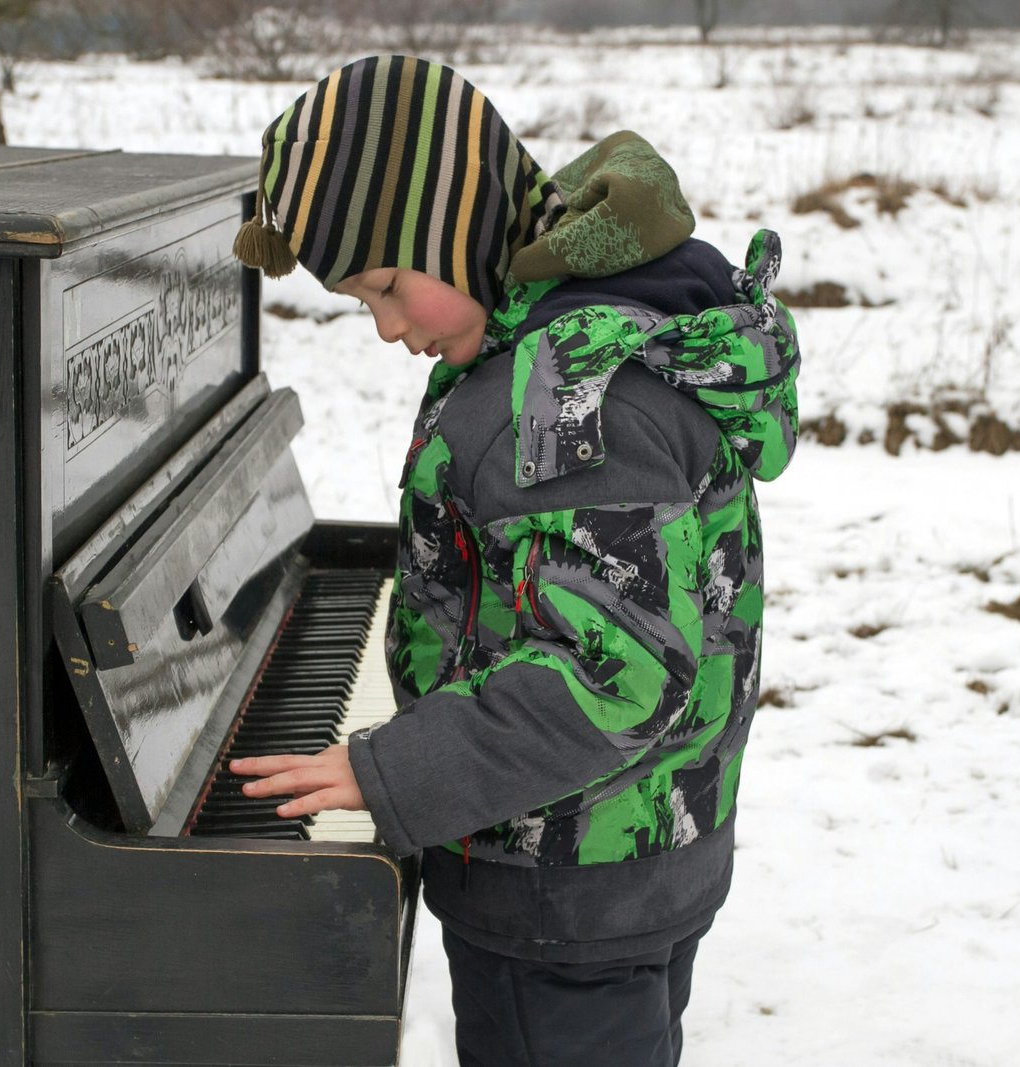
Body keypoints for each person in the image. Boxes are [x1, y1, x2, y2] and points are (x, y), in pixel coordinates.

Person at [229, 54, 800, 1067]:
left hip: (559, 900)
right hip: (626, 861)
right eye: (361, 303)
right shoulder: (574, 321)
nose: (387, 326)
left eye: (388, 286)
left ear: (447, 225)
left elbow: (611, 673)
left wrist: (389, 769)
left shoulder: (568, 394)